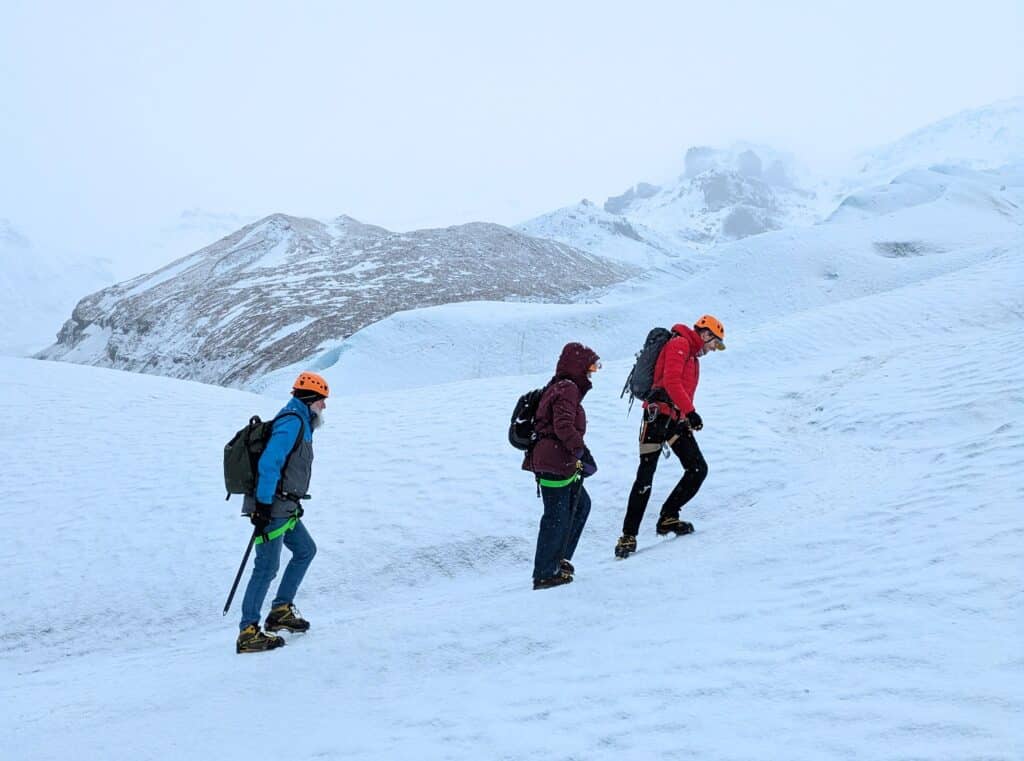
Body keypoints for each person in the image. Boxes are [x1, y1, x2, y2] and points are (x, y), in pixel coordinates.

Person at [615, 315, 725, 559]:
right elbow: (672, 382)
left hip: (675, 420)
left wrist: (686, 415)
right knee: (645, 477)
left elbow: (682, 388)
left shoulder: (693, 357)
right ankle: (628, 536)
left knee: (697, 468)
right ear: (706, 334)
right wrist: (691, 412)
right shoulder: (680, 344)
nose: (714, 349)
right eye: (715, 343)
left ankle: (668, 517)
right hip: (656, 418)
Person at [235, 371, 329, 653]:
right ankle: (248, 632)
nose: (324, 406)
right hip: (272, 507)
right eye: (322, 401)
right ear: (311, 399)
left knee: (305, 550)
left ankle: (280, 611)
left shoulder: (300, 421)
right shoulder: (292, 422)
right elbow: (270, 463)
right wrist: (262, 505)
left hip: (285, 506)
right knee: (266, 566)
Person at [523, 342, 601, 589]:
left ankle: (558, 559)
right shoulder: (567, 388)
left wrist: (580, 459)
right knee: (556, 516)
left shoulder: (565, 388)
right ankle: (545, 573)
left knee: (580, 505)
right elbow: (563, 426)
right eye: (590, 367)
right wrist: (582, 452)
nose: (591, 373)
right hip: (554, 461)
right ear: (577, 367)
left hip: (566, 462)